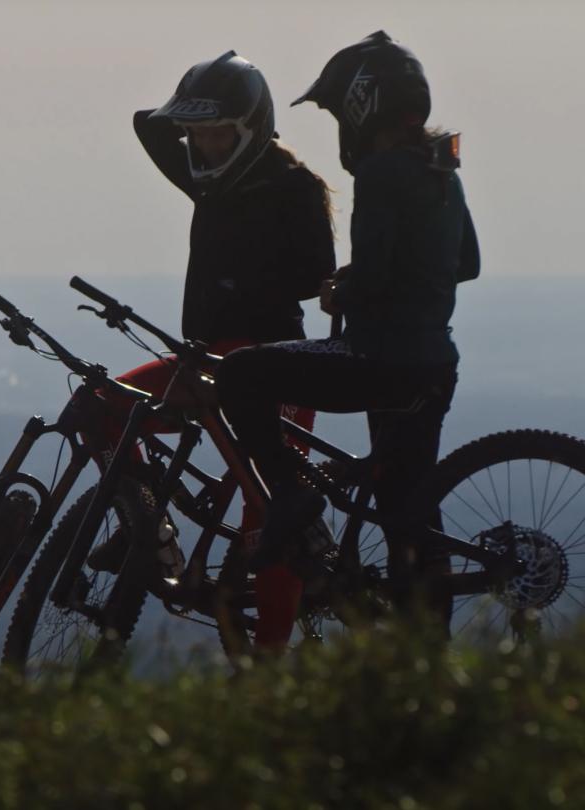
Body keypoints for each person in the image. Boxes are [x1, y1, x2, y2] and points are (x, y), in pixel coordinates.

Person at [215, 32, 481, 618]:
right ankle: (427, 652)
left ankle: (288, 493)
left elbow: (379, 276)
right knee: (407, 514)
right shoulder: (441, 170)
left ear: (364, 105)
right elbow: (468, 264)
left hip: (377, 361)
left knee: (240, 374)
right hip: (434, 364)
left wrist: (345, 287)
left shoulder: (382, 172)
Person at [88, 51, 337, 649]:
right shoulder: (207, 179)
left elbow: (316, 276)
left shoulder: (294, 187)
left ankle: (268, 667)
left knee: (267, 522)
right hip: (205, 361)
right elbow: (146, 123)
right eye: (195, 136)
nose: (204, 147)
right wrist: (195, 105)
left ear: (250, 129)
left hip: (275, 364)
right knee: (101, 406)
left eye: (217, 133)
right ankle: (150, 530)